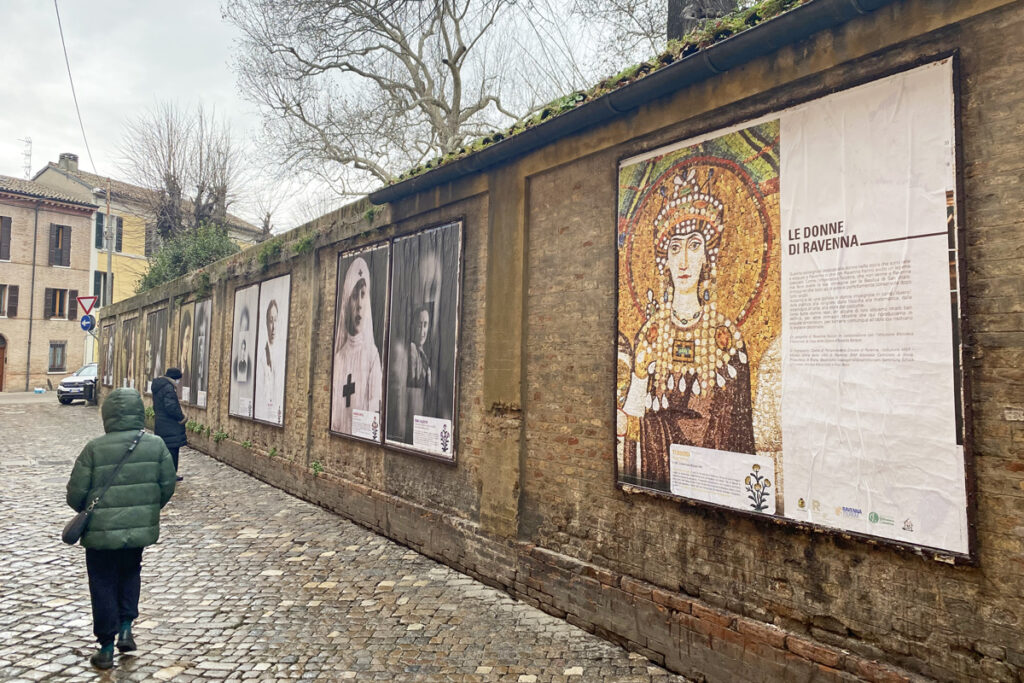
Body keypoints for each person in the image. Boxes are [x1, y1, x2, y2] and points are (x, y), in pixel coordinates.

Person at [620, 168, 755, 490]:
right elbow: (631, 420)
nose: (683, 261)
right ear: (663, 260)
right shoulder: (651, 334)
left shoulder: (726, 340)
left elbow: (736, 430)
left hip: (715, 482)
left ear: (708, 256)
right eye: (674, 248)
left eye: (694, 246)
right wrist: (640, 375)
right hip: (660, 473)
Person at [66, 388, 176, 670]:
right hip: (136, 531)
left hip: (101, 534)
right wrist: (146, 510)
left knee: (102, 583)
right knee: (130, 572)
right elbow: (166, 486)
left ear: (108, 415)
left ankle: (105, 647)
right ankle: (126, 627)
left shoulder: (94, 448)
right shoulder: (156, 445)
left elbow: (75, 495)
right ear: (139, 412)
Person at [331, 256, 383, 434]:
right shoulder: (338, 358)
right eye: (354, 296)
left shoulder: (372, 357)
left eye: (363, 295)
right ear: (347, 302)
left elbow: (374, 406)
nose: (359, 304)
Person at [152, 367, 187, 481]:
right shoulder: (168, 388)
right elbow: (171, 406)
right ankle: (171, 473)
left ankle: (164, 472)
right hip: (170, 425)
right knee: (172, 450)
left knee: (165, 449)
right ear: (175, 378)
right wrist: (181, 417)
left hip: (162, 423)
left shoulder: (160, 386)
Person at [177, 310, 193, 403]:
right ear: (181, 340)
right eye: (186, 338)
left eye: (189, 339)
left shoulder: (189, 373)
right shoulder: (176, 370)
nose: (188, 344)